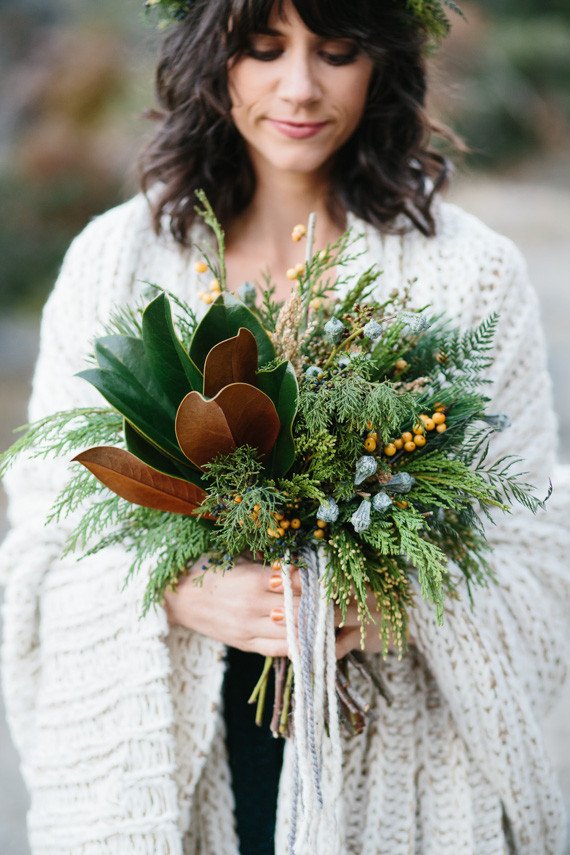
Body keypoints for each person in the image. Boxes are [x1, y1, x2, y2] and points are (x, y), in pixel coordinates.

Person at [1, 0, 568, 853]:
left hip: (403, 776)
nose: (299, 88)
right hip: (170, 763)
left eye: (336, 52)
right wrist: (180, 592)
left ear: (382, 64)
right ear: (210, 61)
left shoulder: (471, 274)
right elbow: (45, 539)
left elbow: (535, 543)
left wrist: (399, 603)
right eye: (264, 50)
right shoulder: (114, 264)